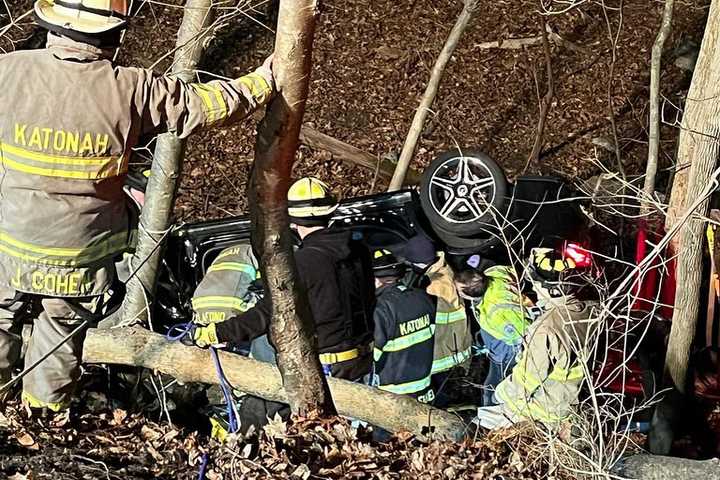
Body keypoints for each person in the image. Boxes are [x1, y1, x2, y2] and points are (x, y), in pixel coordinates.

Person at [0, 0, 275, 412]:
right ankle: (42, 418)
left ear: (52, 23)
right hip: (77, 254)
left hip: (8, 243)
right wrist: (264, 81)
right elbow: (207, 106)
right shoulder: (131, 88)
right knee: (58, 335)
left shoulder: (8, 72)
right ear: (112, 34)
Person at [193, 177, 376, 381]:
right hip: (364, 362)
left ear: (292, 221)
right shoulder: (360, 250)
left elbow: (268, 313)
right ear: (331, 211)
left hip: (327, 370)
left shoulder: (300, 263)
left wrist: (215, 333)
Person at [476, 248, 598, 429]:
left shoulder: (546, 329)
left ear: (547, 286)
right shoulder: (591, 309)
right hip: (572, 397)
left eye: (535, 283)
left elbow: (528, 379)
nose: (533, 287)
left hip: (544, 407)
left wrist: (500, 395)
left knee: (481, 420)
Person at [401, 236, 472, 407]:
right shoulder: (443, 270)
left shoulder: (434, 285)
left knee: (442, 403)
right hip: (453, 352)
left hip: (443, 356)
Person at [453, 258, 529, 406]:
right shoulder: (495, 274)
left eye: (458, 289)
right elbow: (505, 269)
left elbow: (522, 336)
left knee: (493, 389)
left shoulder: (496, 312)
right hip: (499, 349)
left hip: (506, 356)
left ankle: (494, 416)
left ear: (469, 295)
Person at [371, 249, 436, 403]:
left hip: (392, 392)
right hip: (424, 385)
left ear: (376, 280)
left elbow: (374, 355)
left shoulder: (380, 308)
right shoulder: (423, 297)